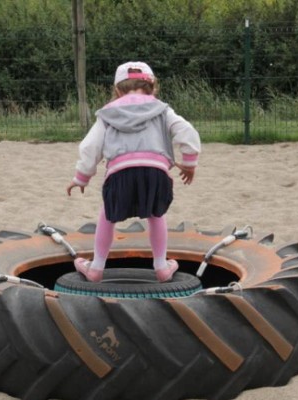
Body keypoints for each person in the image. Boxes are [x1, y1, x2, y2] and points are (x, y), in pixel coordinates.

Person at [66, 61, 201, 283]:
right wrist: (189, 162)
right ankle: (161, 266)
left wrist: (82, 177)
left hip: (120, 172)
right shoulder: (162, 110)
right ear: (153, 87)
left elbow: (91, 146)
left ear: (117, 90)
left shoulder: (108, 114)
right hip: (156, 172)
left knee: (107, 216)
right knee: (156, 214)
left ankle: (97, 267)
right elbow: (186, 131)